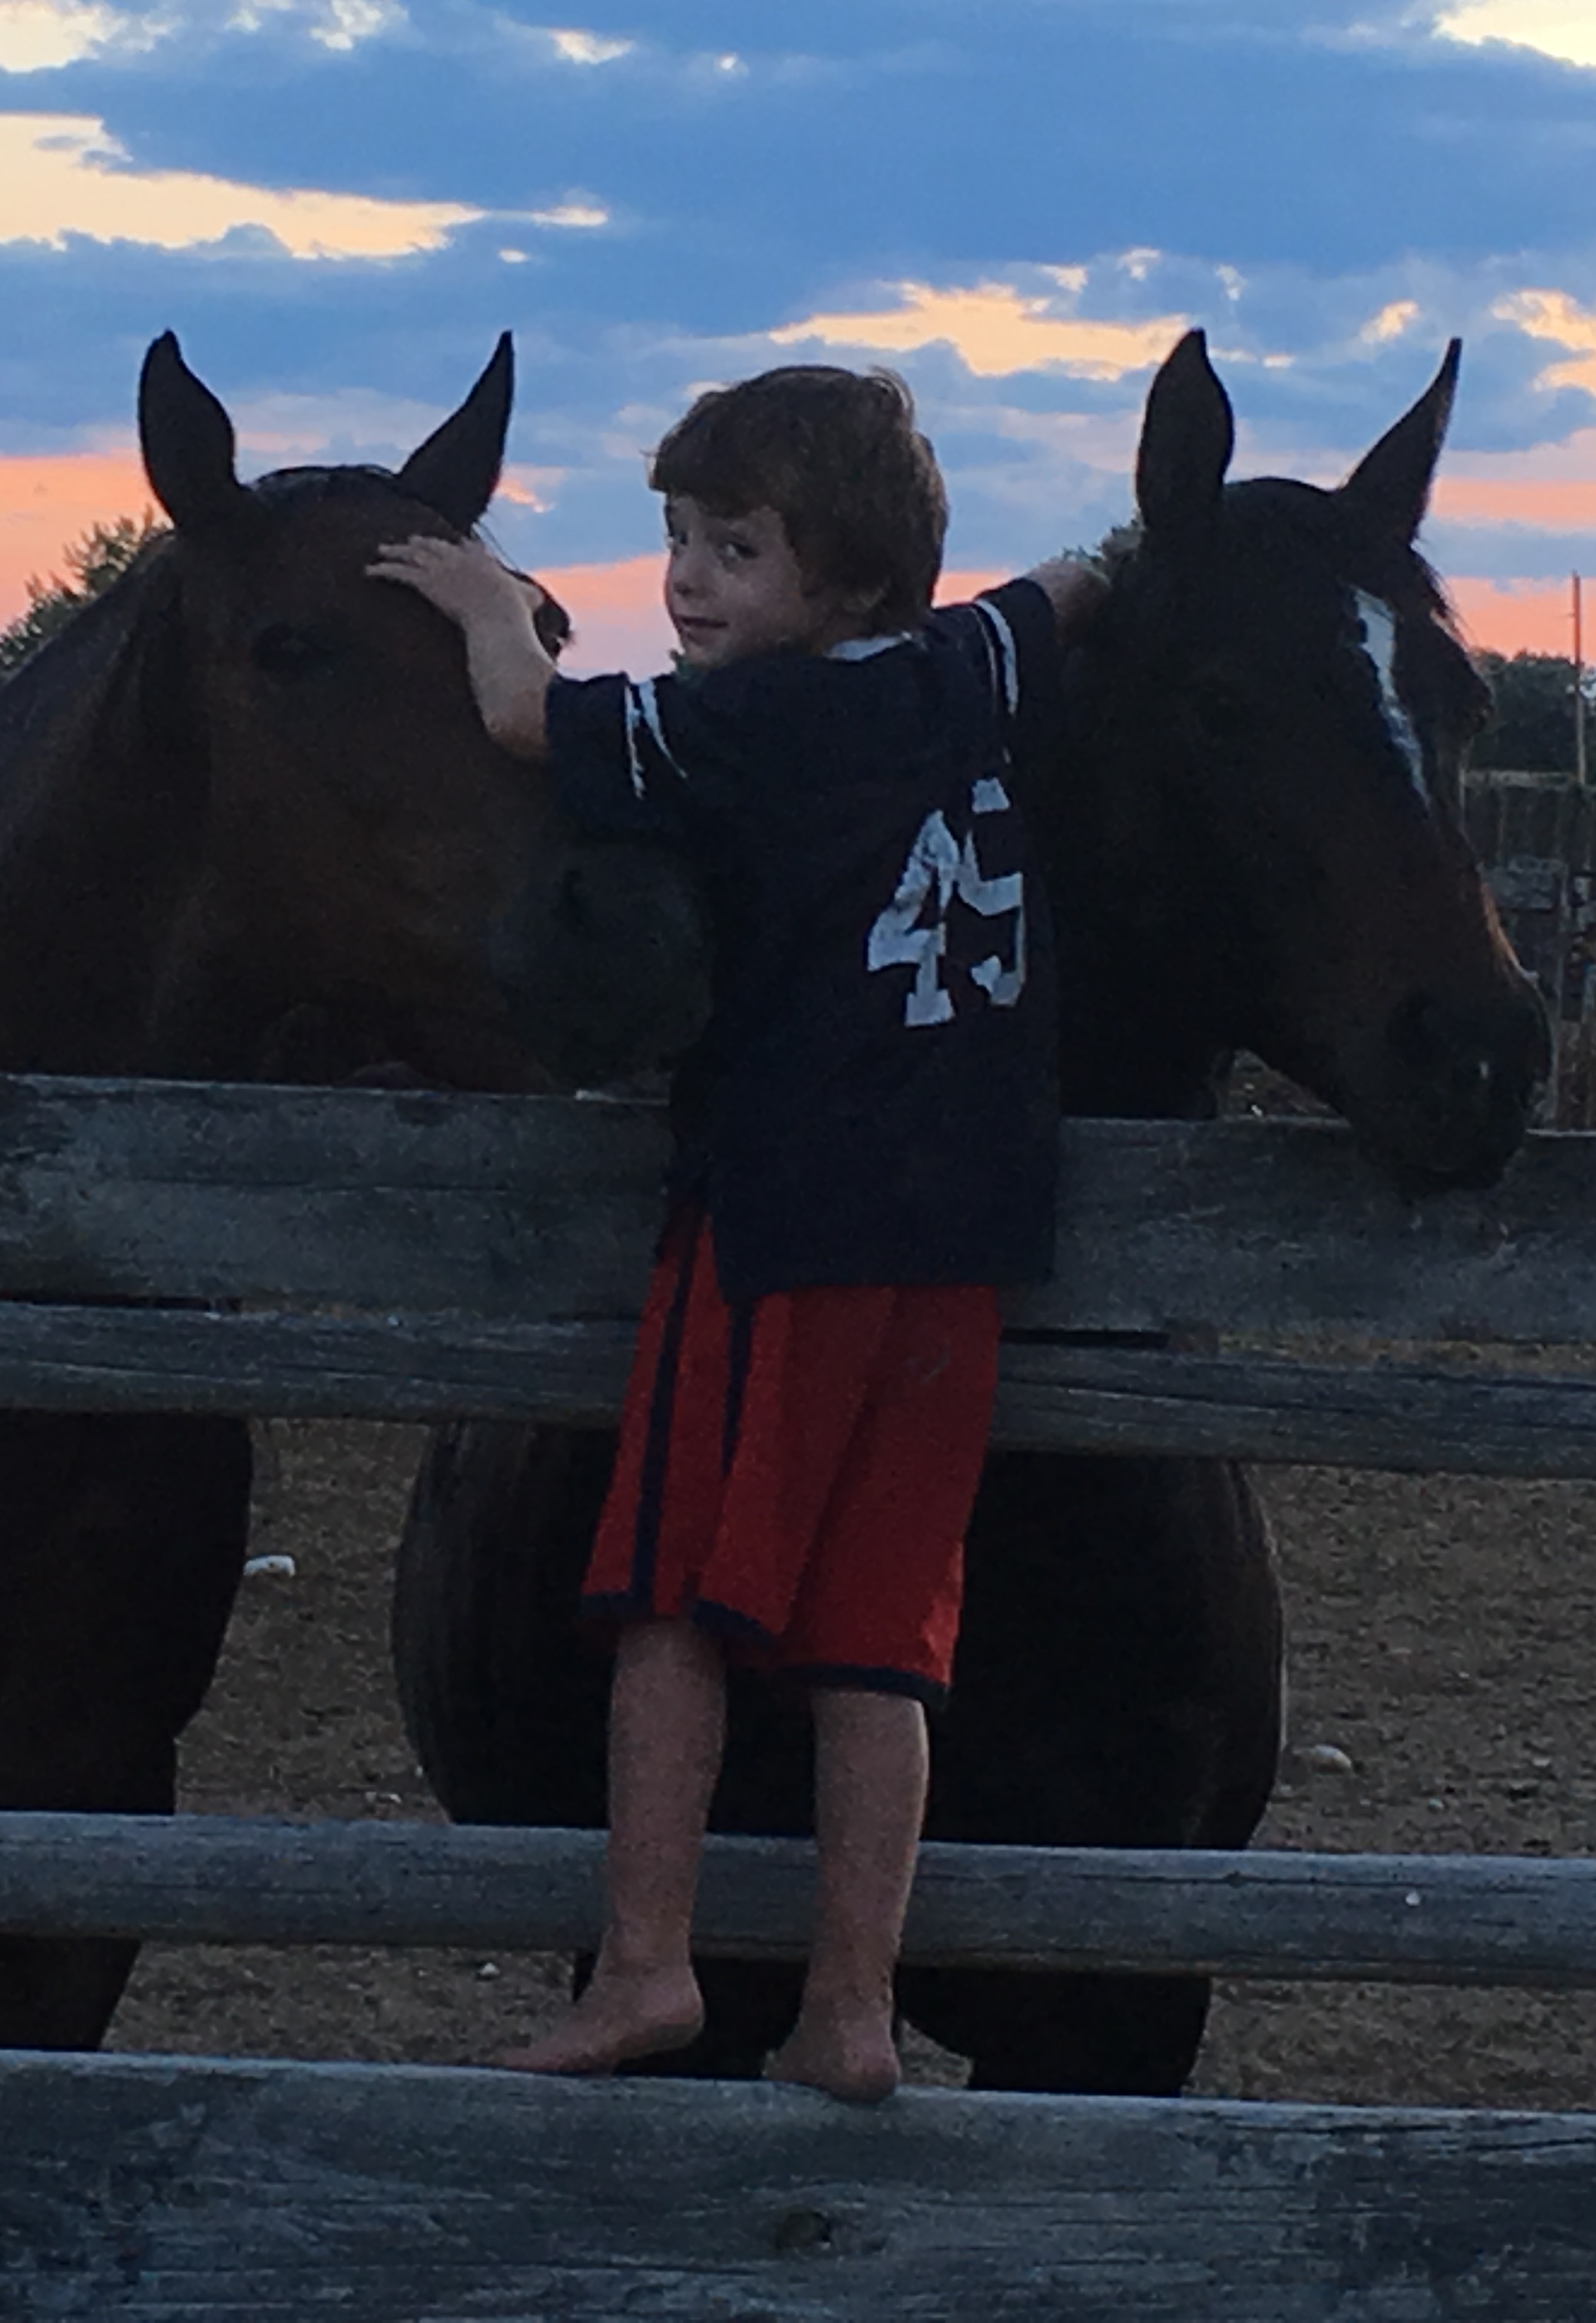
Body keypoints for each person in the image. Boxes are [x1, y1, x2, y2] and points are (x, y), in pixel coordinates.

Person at [370, 364, 1100, 2102]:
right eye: (682, 539)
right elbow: (1067, 593)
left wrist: (486, 604)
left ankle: (646, 1968)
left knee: (671, 1605)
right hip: (963, 1238)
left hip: (786, 1218)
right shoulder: (962, 672)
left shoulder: (745, 729)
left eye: (739, 549)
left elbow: (528, 726)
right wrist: (1140, 547)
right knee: (877, 1640)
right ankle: (853, 2009)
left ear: (845, 579)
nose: (690, 581)